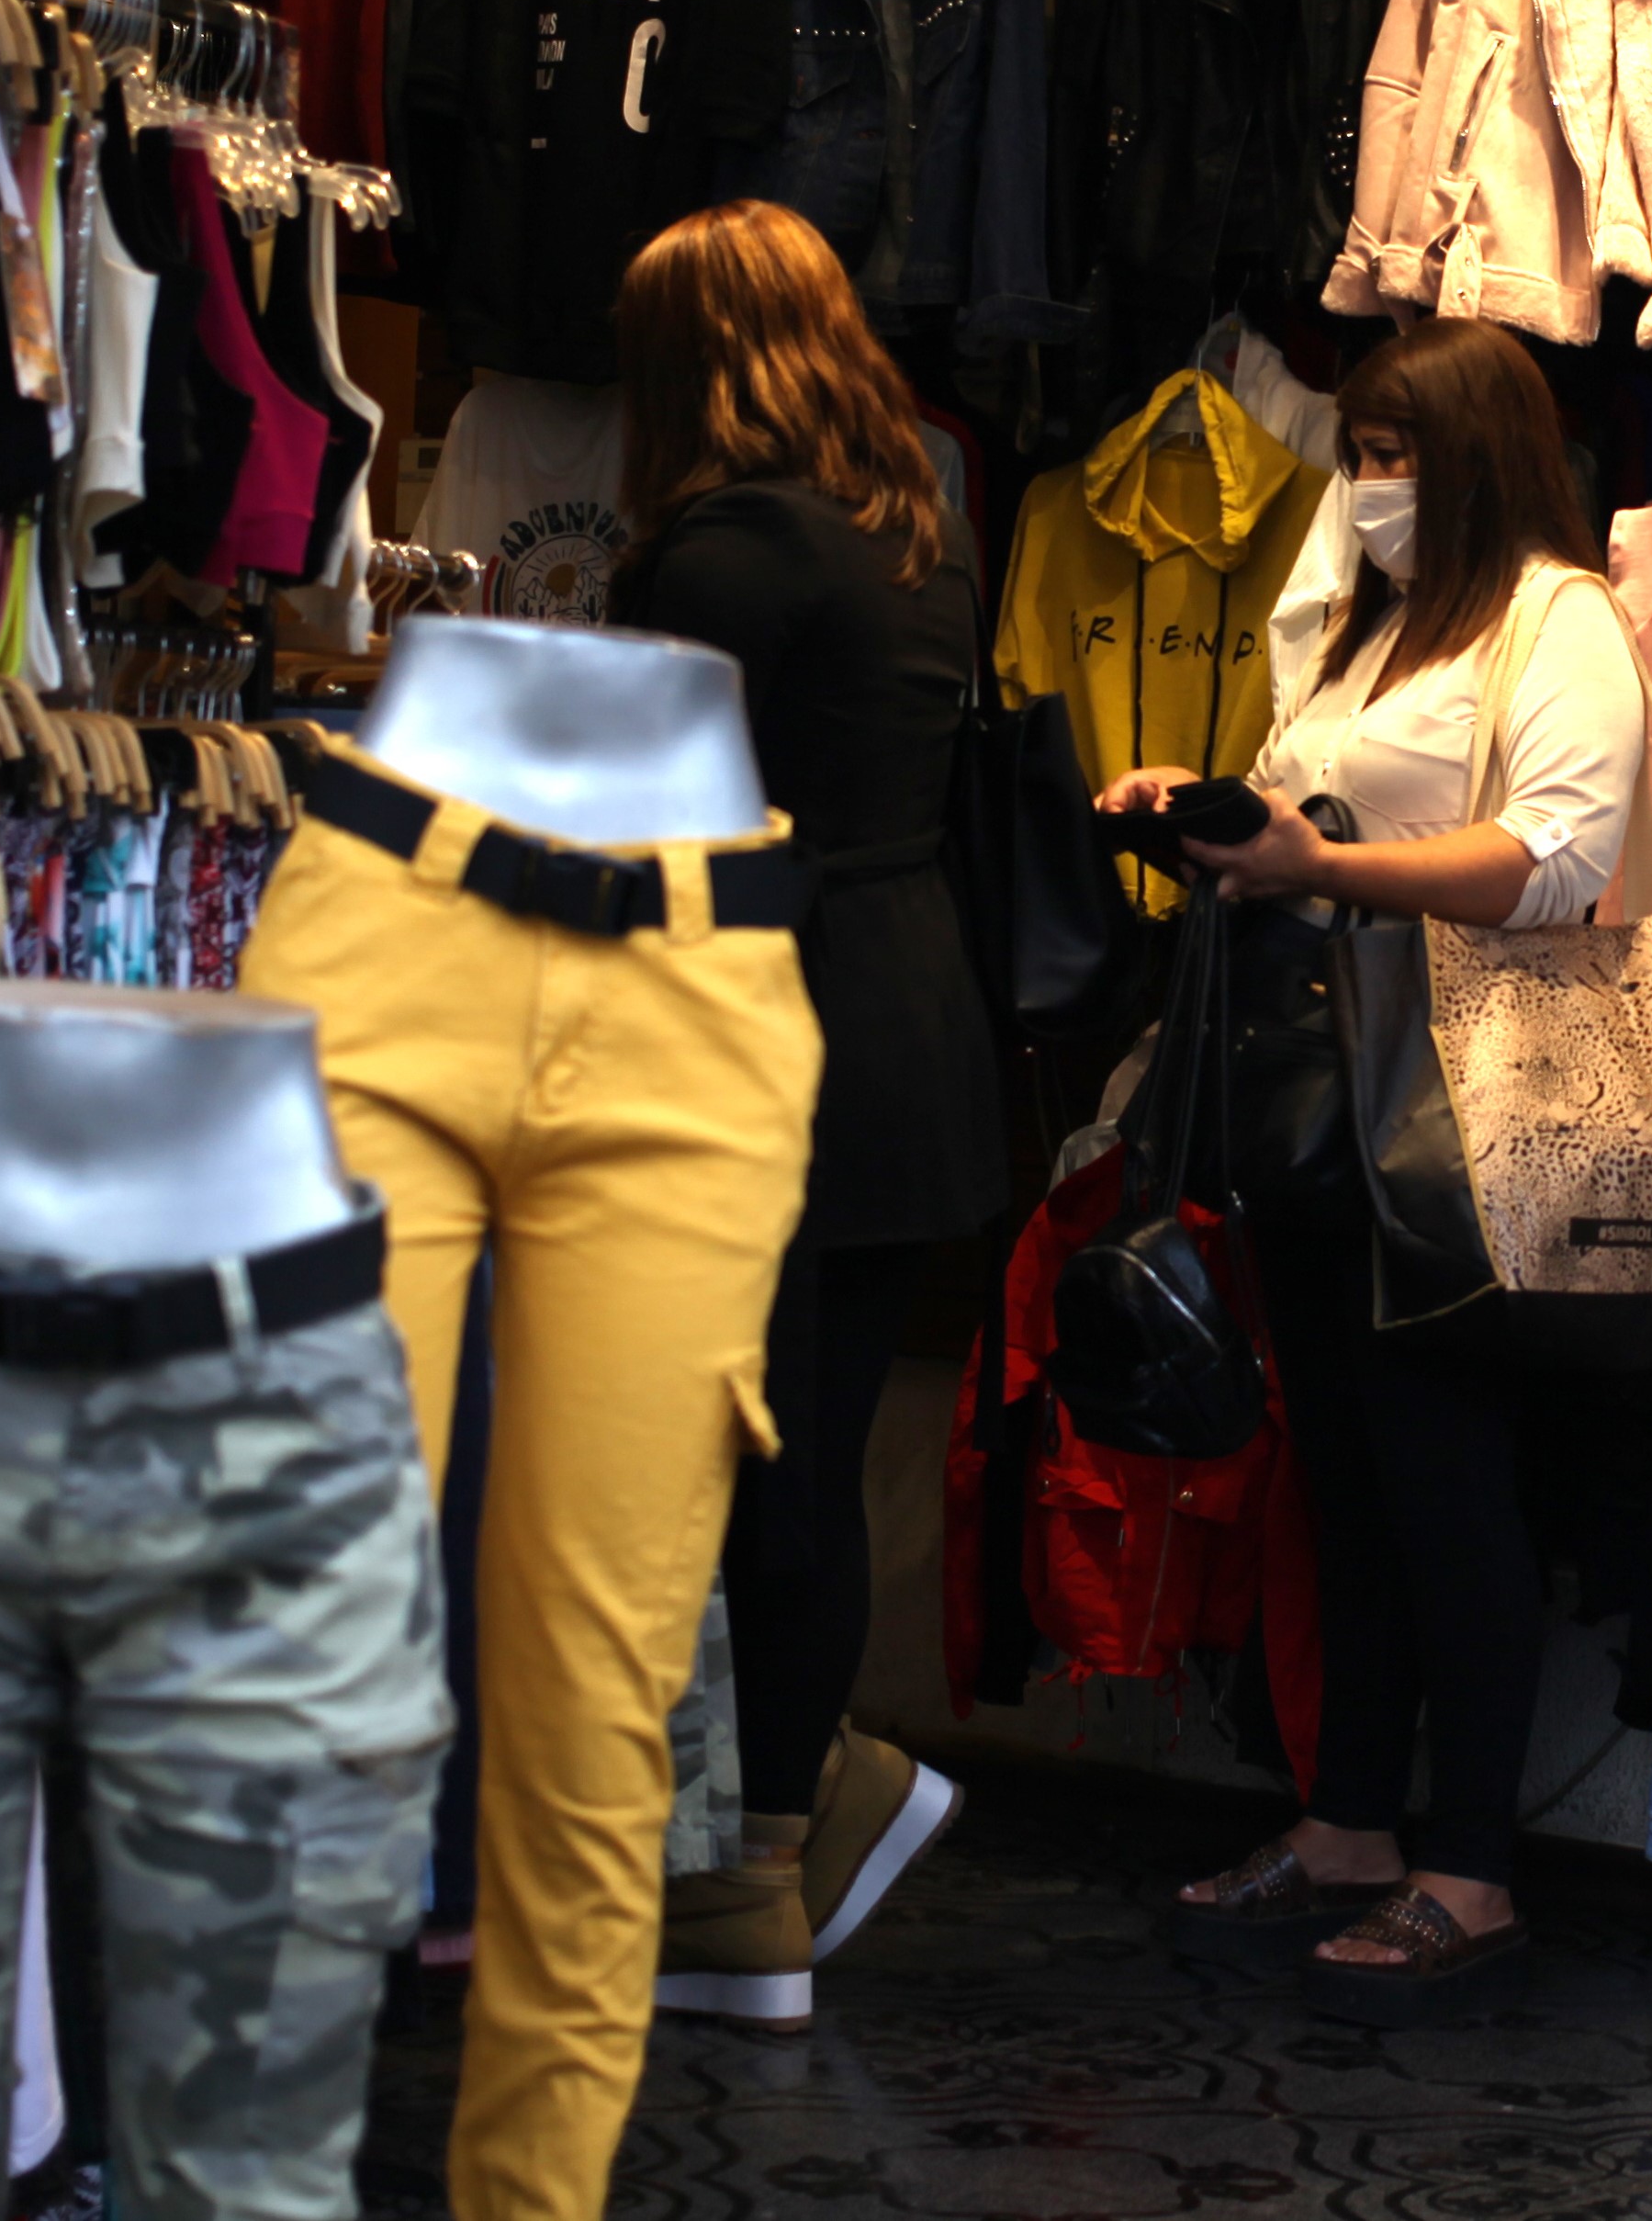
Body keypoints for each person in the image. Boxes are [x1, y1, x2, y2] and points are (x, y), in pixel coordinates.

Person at [1100, 314, 1651, 2026]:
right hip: (1330, 1108)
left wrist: (1327, 860)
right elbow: (1304, 806)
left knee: (1444, 1485)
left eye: (1398, 456)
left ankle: (1468, 1869)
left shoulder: (1560, 621)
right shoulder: (1365, 627)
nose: (1370, 484)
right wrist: (1219, 823)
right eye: (1364, 454)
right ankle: (1349, 1826)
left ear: (1474, 460)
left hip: (1462, 1107)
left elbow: (1561, 859)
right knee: (1345, 1482)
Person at [607, 202, 1006, 2008]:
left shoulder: (723, 549)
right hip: (907, 1006)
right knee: (818, 1455)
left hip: (751, 1015)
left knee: (719, 1457)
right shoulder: (921, 498)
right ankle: (790, 1815)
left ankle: (742, 1873)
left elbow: (635, 805)